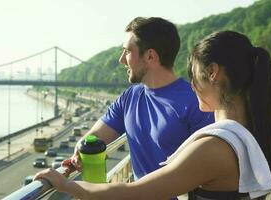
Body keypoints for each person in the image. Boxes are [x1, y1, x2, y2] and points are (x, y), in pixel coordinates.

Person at [35, 30, 271, 199]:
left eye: (194, 74)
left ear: (212, 73)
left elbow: (134, 194)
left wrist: (65, 184)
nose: (191, 85)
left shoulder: (213, 148)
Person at [65, 17, 213, 182]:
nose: (121, 60)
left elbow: (206, 171)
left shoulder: (197, 102)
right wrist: (80, 148)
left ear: (150, 56)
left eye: (127, 51)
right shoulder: (129, 97)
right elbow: (96, 136)